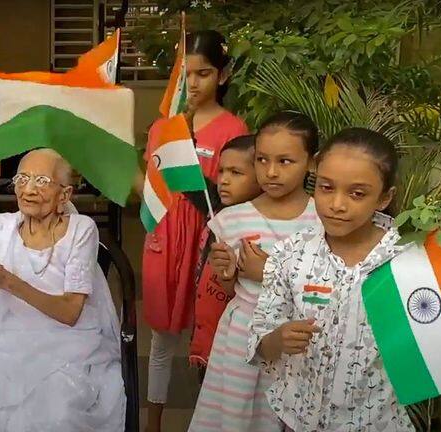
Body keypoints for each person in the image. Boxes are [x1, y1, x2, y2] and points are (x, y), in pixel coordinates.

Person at [0, 148, 125, 431]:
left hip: (67, 344)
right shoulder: (3, 227)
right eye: (22, 178)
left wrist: (7, 281)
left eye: (42, 181)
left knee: (53, 414)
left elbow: (71, 312)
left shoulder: (80, 231)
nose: (29, 189)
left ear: (65, 194)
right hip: (3, 339)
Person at [249, 128, 415, 431]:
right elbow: (260, 343)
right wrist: (277, 338)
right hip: (297, 420)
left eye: (357, 193)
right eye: (326, 187)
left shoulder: (409, 262)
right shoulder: (290, 255)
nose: (337, 204)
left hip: (377, 423)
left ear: (384, 197)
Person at [142, 30, 248, 432]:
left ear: (222, 75)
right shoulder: (162, 126)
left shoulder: (234, 128)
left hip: (209, 239)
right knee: (161, 336)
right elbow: (153, 185)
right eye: (186, 74)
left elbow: (235, 191)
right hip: (165, 237)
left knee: (208, 335)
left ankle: (208, 420)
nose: (193, 83)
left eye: (203, 73)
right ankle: (153, 421)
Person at [189, 111, 321, 431]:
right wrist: (227, 272)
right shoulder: (233, 219)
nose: (271, 172)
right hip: (244, 335)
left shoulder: (322, 218)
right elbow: (230, 285)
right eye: (262, 160)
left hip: (302, 335)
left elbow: (326, 279)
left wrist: (269, 272)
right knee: (240, 415)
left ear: (312, 163)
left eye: (285, 161)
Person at [189, 134, 261, 366]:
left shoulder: (261, 227)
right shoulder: (216, 207)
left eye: (236, 173)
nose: (224, 180)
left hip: (236, 341)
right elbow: (190, 181)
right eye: (221, 172)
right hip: (205, 332)